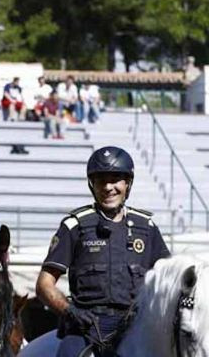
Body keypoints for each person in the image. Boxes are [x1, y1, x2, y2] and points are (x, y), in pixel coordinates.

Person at [35, 146, 171, 357]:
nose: (108, 187)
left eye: (116, 179)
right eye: (101, 180)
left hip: (136, 326)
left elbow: (168, 280)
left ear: (128, 183)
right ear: (92, 184)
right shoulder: (75, 226)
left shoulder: (147, 227)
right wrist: (70, 312)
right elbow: (44, 285)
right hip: (85, 328)